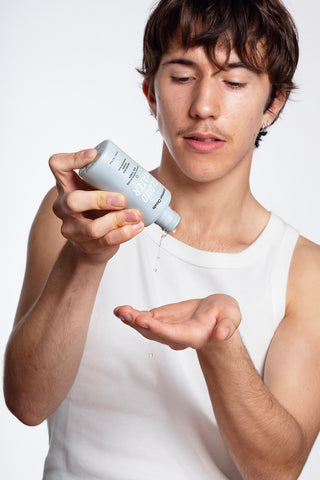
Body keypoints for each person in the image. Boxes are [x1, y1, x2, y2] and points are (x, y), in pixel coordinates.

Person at [4, 0, 320, 478]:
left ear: (271, 104)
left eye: (233, 82)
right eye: (181, 76)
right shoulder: (81, 212)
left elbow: (278, 470)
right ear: (151, 92)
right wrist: (85, 260)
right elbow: (27, 403)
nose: (204, 107)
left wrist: (220, 347)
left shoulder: (303, 272)